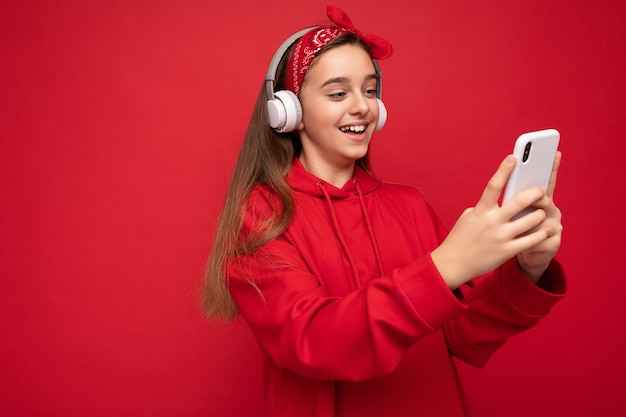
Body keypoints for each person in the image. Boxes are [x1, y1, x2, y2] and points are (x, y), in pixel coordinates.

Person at [202, 5, 566, 417]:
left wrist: (528, 268)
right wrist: (445, 266)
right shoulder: (263, 215)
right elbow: (312, 341)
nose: (362, 106)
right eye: (338, 93)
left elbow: (462, 336)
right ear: (289, 111)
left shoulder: (409, 205)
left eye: (370, 90)